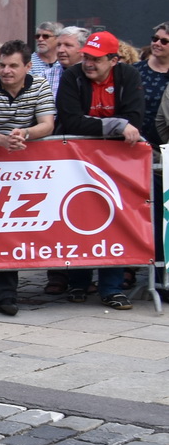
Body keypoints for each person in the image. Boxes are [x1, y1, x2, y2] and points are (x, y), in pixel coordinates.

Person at [0, 39, 56, 316]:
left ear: (28, 66)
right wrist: (4, 141)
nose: (5, 71)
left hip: (30, 168)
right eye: (2, 65)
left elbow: (47, 123)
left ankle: (6, 293)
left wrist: (25, 134)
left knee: (18, 227)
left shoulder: (40, 85)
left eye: (13, 66)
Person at [57, 30, 145, 310]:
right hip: (78, 158)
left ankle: (111, 288)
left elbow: (136, 118)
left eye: (96, 59)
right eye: (86, 57)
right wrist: (116, 126)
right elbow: (70, 121)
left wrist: (116, 125)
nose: (88, 64)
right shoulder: (73, 76)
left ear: (114, 60)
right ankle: (78, 282)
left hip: (117, 161)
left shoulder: (128, 76)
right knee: (78, 215)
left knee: (115, 218)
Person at [139, 22, 169, 143]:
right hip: (135, 142)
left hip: (163, 145)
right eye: (155, 39)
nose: (156, 43)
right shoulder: (134, 70)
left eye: (164, 41)